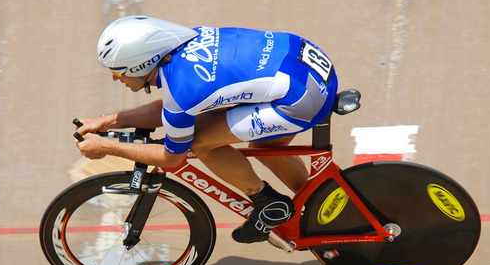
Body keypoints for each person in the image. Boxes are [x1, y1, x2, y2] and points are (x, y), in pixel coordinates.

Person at [75, 16, 338, 243]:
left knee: (200, 144)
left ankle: (268, 202)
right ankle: (324, 208)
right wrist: (105, 121)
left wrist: (107, 147)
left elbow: (172, 157)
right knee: (265, 148)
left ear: (139, 65)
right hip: (305, 63)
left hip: (301, 100)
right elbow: (168, 110)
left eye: (118, 71)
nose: (115, 78)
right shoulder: (189, 41)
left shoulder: (182, 90)